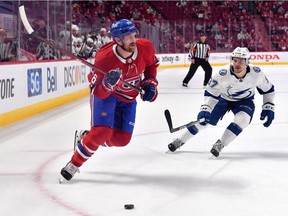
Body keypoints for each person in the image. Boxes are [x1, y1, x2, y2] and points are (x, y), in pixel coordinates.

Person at [60, 19, 159, 181]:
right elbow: (98, 93)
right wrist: (107, 85)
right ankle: (74, 164)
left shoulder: (145, 47)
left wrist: (150, 83)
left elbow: (151, 65)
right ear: (118, 40)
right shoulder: (105, 58)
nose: (133, 40)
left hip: (128, 98)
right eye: (128, 37)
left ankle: (87, 138)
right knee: (102, 131)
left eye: (134, 35)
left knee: (122, 139)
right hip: (108, 96)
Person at [168, 47, 275, 157]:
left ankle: (220, 144)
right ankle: (180, 140)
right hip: (222, 99)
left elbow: (268, 90)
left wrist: (268, 107)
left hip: (245, 101)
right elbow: (211, 92)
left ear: (247, 62)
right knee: (203, 122)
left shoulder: (256, 73)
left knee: (243, 120)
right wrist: (206, 109)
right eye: (235, 60)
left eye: (241, 61)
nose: (237, 64)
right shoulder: (222, 74)